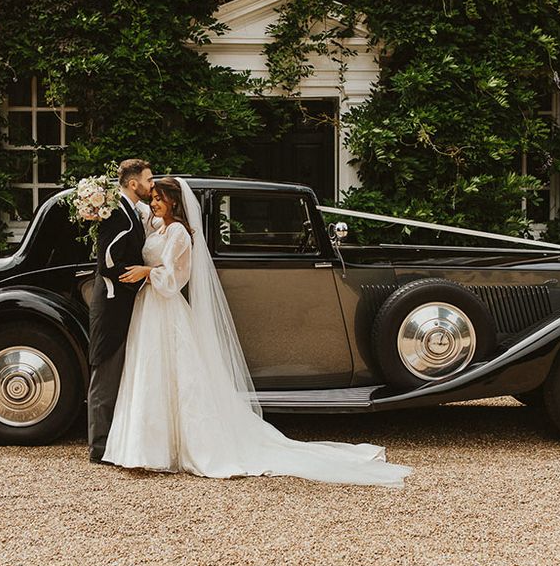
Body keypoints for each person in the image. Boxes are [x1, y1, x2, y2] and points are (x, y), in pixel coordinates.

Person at [101, 176, 412, 486]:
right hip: (151, 308)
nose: (153, 202)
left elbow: (174, 279)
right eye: (152, 197)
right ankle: (147, 449)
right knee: (151, 374)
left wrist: (146, 272)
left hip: (163, 305)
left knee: (175, 377)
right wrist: (99, 205)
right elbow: (130, 210)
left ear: (174, 202)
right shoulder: (156, 226)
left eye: (159, 198)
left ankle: (172, 448)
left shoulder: (180, 232)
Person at [87, 158, 154, 463]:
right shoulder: (119, 215)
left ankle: (113, 441)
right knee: (107, 371)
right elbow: (108, 263)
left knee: (117, 372)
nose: (151, 186)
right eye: (148, 180)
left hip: (122, 302)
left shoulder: (130, 211)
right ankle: (99, 447)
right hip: (113, 303)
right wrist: (138, 277)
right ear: (132, 183)